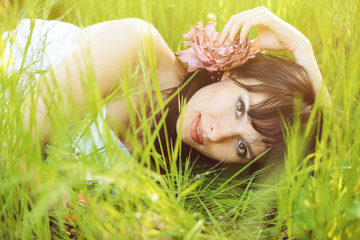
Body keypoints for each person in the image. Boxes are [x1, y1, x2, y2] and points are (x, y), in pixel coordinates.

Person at [4, 6, 326, 168]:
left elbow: (322, 166)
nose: (217, 135)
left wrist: (304, 52)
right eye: (240, 108)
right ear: (232, 72)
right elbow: (11, 142)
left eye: (242, 147)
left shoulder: (172, 154)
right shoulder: (135, 48)